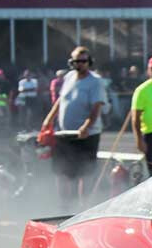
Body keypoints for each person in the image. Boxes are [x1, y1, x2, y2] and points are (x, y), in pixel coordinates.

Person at [42, 46, 108, 210]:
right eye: (76, 61)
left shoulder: (95, 81)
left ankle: (82, 207)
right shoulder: (69, 77)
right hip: (65, 133)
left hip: (86, 135)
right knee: (62, 171)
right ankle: (63, 206)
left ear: (89, 62)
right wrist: (49, 119)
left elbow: (97, 106)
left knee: (84, 173)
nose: (79, 64)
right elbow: (61, 100)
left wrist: (86, 127)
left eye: (83, 61)